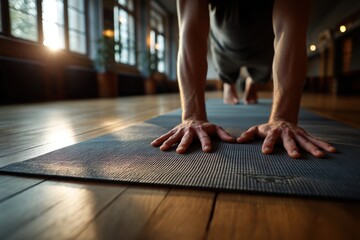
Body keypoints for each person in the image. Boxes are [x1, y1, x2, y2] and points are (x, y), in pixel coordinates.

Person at [151, 0, 337, 158]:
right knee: (228, 82)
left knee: (255, 83)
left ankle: (251, 82)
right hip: (224, 45)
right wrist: (192, 116)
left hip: (264, 49)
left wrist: (283, 117)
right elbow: (191, 31)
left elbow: (290, 28)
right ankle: (229, 83)